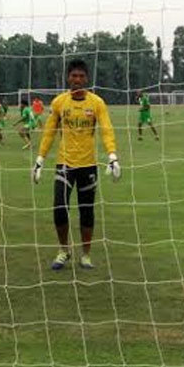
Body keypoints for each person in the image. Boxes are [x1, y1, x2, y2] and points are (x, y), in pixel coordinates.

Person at [32, 59, 119, 271]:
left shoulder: (97, 103)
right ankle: (63, 250)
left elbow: (106, 129)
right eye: (74, 76)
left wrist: (112, 155)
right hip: (65, 164)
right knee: (59, 208)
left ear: (86, 78)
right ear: (68, 78)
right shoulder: (59, 103)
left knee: (86, 211)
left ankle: (86, 254)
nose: (77, 80)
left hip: (88, 165)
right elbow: (49, 132)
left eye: (81, 76)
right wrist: (40, 159)